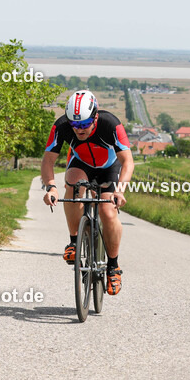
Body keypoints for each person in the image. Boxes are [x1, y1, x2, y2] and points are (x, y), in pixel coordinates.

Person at [41, 90, 134, 295]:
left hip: (109, 167)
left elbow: (128, 161)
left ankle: (113, 266)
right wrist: (51, 187)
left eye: (84, 124)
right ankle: (74, 242)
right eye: (74, 125)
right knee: (72, 186)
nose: (79, 130)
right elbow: (48, 160)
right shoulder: (61, 126)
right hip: (81, 164)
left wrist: (120, 190)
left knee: (108, 212)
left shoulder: (111, 123)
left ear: (95, 117)